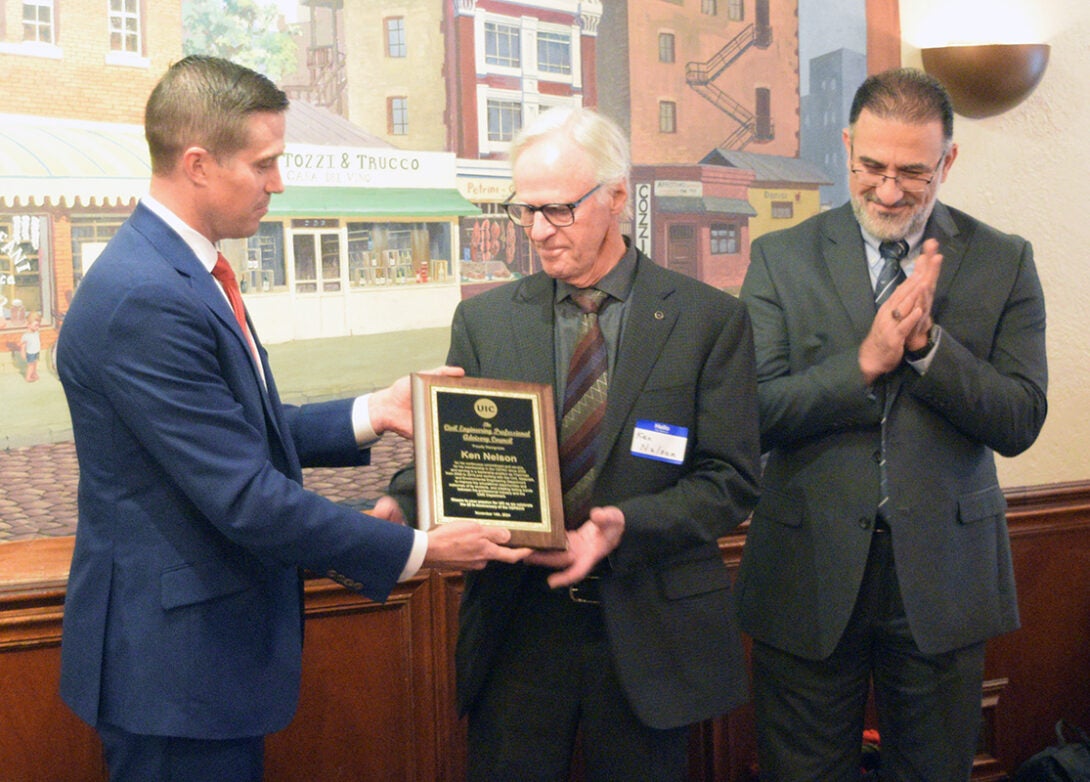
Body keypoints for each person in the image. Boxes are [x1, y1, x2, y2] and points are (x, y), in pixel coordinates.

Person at [55, 55, 528, 782]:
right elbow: (244, 495)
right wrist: (418, 552)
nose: (279, 183)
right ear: (199, 164)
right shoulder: (144, 297)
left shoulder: (180, 271)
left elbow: (243, 427)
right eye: (265, 163)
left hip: (199, 659)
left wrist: (380, 410)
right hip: (175, 675)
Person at [384, 106, 762, 781]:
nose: (537, 231)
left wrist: (624, 525)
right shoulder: (487, 320)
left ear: (616, 196)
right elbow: (464, 448)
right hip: (519, 629)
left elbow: (729, 480)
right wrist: (403, 502)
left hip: (649, 628)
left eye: (557, 210)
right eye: (523, 210)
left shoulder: (709, 321)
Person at [736, 67, 1048, 781]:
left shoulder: (1003, 260)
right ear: (847, 146)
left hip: (943, 579)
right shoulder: (781, 259)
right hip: (807, 572)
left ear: (948, 161)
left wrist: (930, 351)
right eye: (870, 167)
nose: (887, 190)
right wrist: (866, 362)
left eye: (913, 172)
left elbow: (1021, 418)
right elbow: (754, 413)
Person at [20, 311, 41, 381]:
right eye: (36, 325)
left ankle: (34, 373)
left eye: (38, 325)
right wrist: (23, 353)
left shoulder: (36, 332)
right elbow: (23, 345)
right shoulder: (26, 335)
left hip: (36, 351)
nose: (38, 327)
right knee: (31, 365)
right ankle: (28, 377)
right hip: (30, 352)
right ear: (28, 325)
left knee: (35, 363)